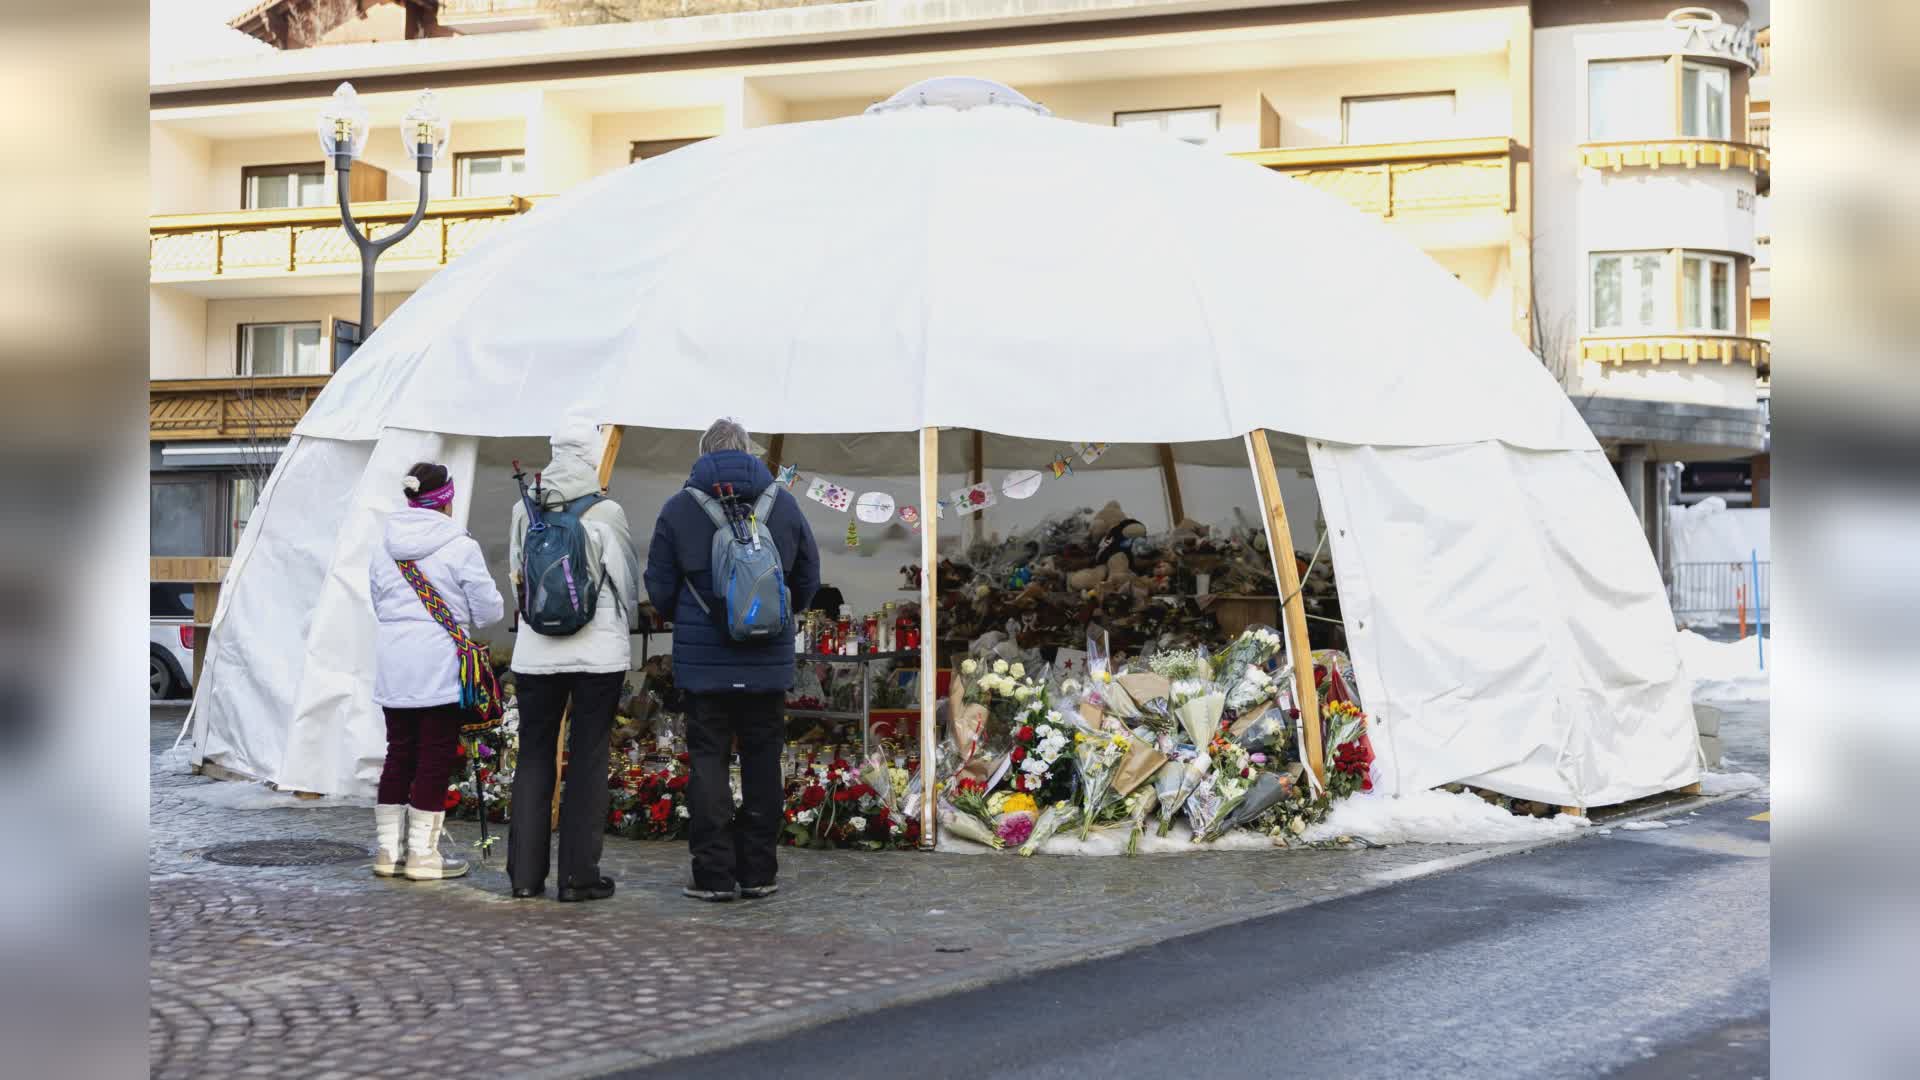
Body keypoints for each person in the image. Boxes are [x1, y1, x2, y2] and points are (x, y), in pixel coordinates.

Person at [645, 418, 819, 901]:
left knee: (708, 764)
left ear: (702, 453)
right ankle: (759, 871)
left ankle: (714, 874)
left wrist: (692, 615)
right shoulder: (782, 502)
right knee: (764, 762)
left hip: (704, 666)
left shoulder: (680, 508)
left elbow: (658, 587)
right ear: (751, 452)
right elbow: (808, 577)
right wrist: (777, 617)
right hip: (767, 661)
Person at [506, 419, 641, 903]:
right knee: (588, 757)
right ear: (592, 454)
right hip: (598, 654)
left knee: (535, 755)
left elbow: (517, 576)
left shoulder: (527, 507)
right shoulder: (607, 510)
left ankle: (524, 876)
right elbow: (626, 582)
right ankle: (578, 877)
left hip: (536, 652)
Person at [368, 462, 505, 882]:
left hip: (394, 661)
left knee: (398, 754)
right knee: (434, 758)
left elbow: (378, 602)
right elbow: (488, 612)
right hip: (440, 663)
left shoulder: (383, 545)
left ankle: (388, 852)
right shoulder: (460, 545)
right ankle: (422, 856)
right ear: (446, 498)